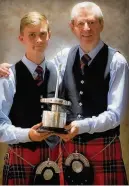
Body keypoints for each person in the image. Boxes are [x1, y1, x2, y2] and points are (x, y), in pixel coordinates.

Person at [0, 1, 129, 185]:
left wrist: (80, 126)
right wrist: (5, 70)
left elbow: (115, 115)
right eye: (80, 23)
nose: (86, 28)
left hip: (103, 147)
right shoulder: (63, 58)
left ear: (101, 24)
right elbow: (34, 65)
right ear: (72, 27)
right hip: (67, 150)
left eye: (92, 22)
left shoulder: (117, 62)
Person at [0, 11, 62, 185]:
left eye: (43, 34)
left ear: (49, 35)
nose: (39, 40)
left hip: (53, 157)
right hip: (21, 155)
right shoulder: (8, 76)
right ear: (21, 38)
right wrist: (28, 134)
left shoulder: (57, 71)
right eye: (32, 35)